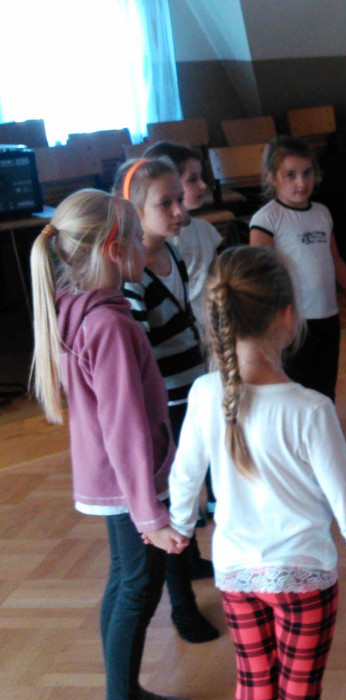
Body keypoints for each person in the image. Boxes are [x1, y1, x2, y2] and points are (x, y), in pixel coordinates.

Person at [168, 246, 346, 700]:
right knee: (299, 698)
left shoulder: (204, 393)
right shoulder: (311, 409)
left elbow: (184, 477)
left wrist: (178, 527)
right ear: (288, 318)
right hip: (304, 578)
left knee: (253, 687)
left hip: (236, 573)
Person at [29, 189, 190, 700]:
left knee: (127, 582)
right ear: (115, 248)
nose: (147, 245)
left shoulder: (81, 306)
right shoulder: (109, 325)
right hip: (128, 487)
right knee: (136, 587)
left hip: (113, 482)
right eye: (138, 238)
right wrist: (149, 515)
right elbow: (124, 428)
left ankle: (128, 693)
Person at [114, 157, 219, 643]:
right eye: (166, 203)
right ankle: (182, 606)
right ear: (135, 211)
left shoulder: (170, 253)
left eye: (181, 199)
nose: (180, 211)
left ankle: (192, 559)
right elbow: (140, 354)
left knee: (193, 488)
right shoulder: (131, 274)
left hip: (192, 392)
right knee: (175, 500)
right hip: (169, 405)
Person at [251, 136, 346, 404]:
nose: (301, 183)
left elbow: (335, 260)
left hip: (327, 316)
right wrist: (276, 319)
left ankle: (325, 431)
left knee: (325, 389)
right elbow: (262, 278)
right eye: (290, 175)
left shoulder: (322, 213)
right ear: (272, 178)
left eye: (307, 173)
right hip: (292, 322)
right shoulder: (266, 219)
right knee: (297, 392)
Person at [143, 140, 223, 336]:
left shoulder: (206, 230)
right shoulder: (163, 241)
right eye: (192, 180)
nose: (203, 185)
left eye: (201, 178)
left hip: (212, 326)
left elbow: (217, 279)